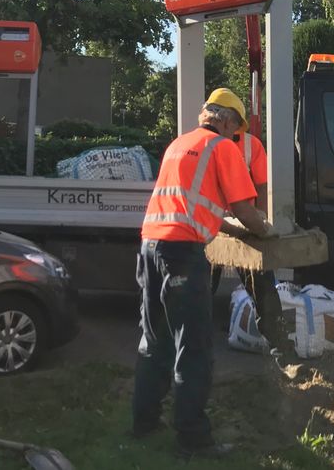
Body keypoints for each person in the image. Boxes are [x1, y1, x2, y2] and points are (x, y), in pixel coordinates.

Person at [132, 88, 271, 459]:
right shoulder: (221, 148)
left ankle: (143, 424)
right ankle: (193, 439)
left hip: (150, 246)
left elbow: (194, 205)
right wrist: (263, 230)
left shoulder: (179, 144)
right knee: (193, 348)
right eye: (236, 129)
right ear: (225, 120)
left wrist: (234, 230)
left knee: (154, 341)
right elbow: (243, 206)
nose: (235, 136)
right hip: (181, 254)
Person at [213, 118, 295, 357]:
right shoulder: (212, 147)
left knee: (263, 288)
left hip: (237, 225)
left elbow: (261, 186)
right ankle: (282, 350)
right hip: (224, 226)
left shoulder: (249, 146)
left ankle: (282, 350)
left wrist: (258, 218)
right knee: (203, 292)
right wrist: (258, 225)